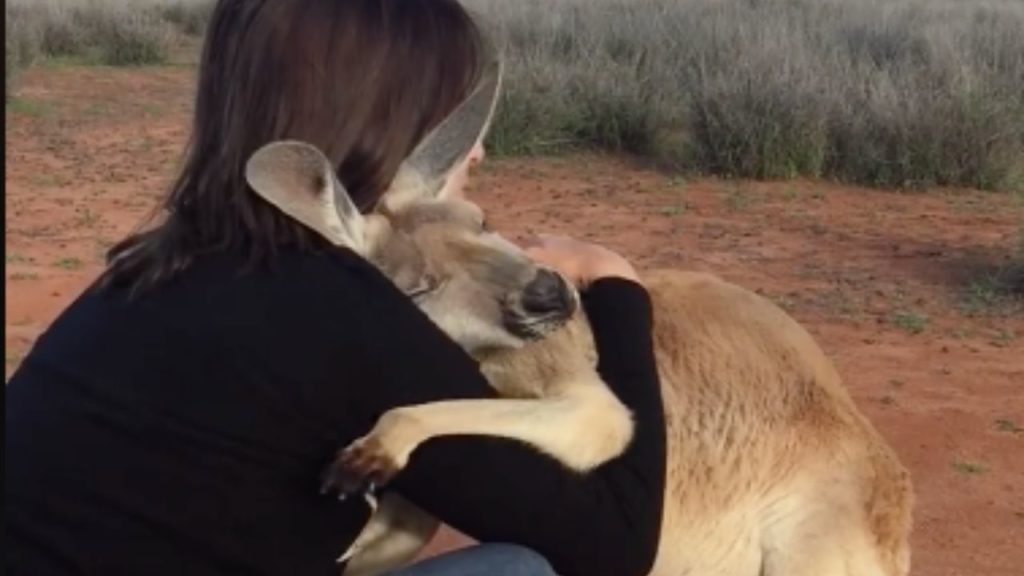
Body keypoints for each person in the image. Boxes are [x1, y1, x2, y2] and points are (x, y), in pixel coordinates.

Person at [4, 1, 667, 575]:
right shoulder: (345, 314)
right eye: (444, 126)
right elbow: (615, 542)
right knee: (524, 568)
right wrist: (618, 288)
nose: (475, 154)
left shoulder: (148, 267)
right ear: (383, 131)